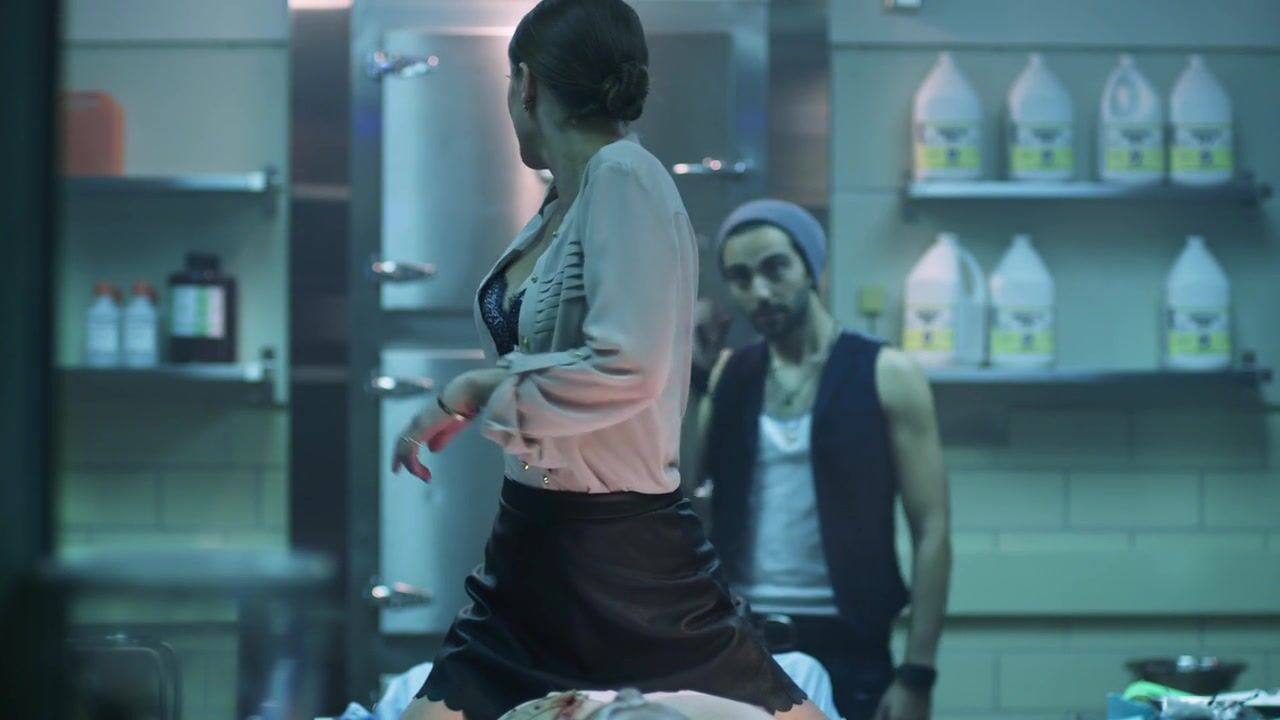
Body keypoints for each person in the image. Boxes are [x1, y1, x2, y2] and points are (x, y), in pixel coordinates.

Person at [389, 4, 828, 719]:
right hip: (530, 543)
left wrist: (475, 388)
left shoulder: (626, 177)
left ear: (527, 84)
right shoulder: (564, 201)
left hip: (623, 554)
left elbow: (629, 367)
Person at [687, 200, 953, 720]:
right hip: (743, 639)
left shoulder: (886, 373)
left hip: (851, 647)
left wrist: (918, 673)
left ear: (810, 266)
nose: (760, 291)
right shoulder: (728, 375)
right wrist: (691, 380)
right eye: (741, 277)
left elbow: (932, 528)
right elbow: (684, 493)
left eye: (775, 268)